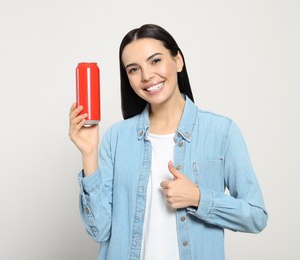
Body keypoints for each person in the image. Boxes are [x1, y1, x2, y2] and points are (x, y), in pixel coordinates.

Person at [69, 24, 268, 260]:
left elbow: (256, 217)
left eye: (155, 61)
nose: (146, 76)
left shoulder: (222, 132)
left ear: (178, 61)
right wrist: (89, 154)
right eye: (133, 69)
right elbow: (99, 231)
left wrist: (198, 198)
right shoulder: (116, 138)